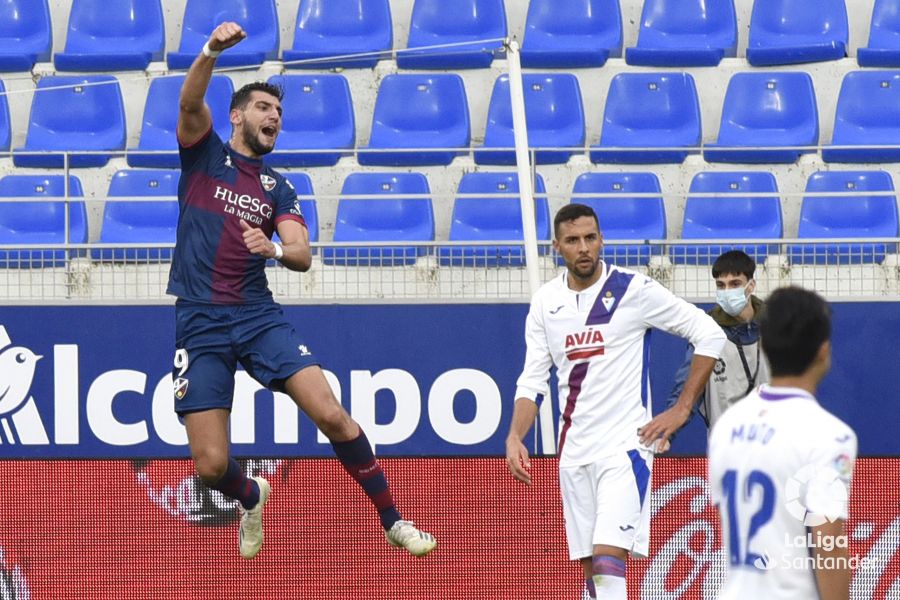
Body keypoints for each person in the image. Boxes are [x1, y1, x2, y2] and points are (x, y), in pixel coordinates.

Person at [169, 22, 436, 559]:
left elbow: (302, 253)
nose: (274, 118)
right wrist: (210, 51)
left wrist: (274, 251)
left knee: (331, 413)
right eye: (265, 108)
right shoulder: (204, 156)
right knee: (212, 466)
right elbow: (190, 99)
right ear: (238, 115)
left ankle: (393, 520)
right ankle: (252, 495)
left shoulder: (277, 187)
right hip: (199, 322)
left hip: (256, 316)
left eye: (280, 113)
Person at [505, 204, 726, 599]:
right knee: (594, 574)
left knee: (609, 561)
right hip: (572, 453)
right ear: (557, 247)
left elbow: (709, 334)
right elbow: (533, 380)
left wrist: (681, 409)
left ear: (602, 239)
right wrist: (515, 436)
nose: (584, 247)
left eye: (591, 238)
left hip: (625, 449)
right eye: (573, 240)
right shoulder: (545, 302)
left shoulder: (633, 290)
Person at [708, 286, 856, 600]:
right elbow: (827, 549)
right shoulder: (830, 435)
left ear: (764, 347)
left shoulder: (727, 426)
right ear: (823, 351)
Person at [668, 250, 770, 430]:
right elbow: (687, 390)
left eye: (735, 284)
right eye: (721, 285)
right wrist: (666, 433)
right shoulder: (706, 331)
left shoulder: (778, 327)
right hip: (725, 448)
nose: (727, 291)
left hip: (774, 446)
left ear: (751, 285)